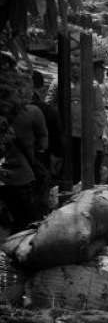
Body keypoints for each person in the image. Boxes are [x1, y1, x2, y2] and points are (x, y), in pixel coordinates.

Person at [45, 51, 108, 184]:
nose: (74, 68)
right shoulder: (58, 83)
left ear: (83, 66)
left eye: (77, 65)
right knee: (66, 171)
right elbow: (48, 106)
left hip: (86, 135)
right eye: (72, 64)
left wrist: (103, 132)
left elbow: (99, 111)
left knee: (87, 170)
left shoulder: (92, 85)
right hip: (64, 134)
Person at [2, 76, 48, 231]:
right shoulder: (33, 112)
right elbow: (43, 145)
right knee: (27, 225)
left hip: (2, 179)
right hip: (22, 179)